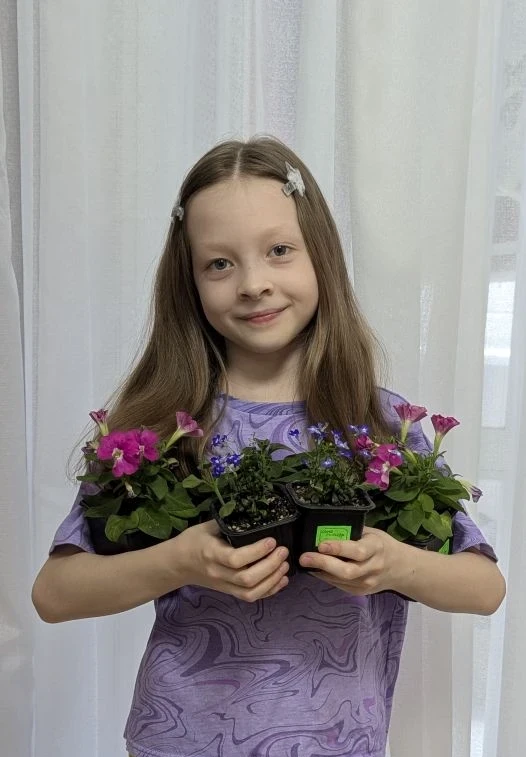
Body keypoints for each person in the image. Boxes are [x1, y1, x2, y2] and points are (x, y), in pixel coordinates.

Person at [32, 136, 505, 757]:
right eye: (219, 264)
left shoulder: (380, 424)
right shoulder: (159, 429)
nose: (254, 284)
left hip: (339, 742)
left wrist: (393, 565)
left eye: (279, 250)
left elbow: (484, 588)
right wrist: (179, 561)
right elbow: (55, 593)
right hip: (179, 741)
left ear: (321, 255)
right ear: (189, 281)